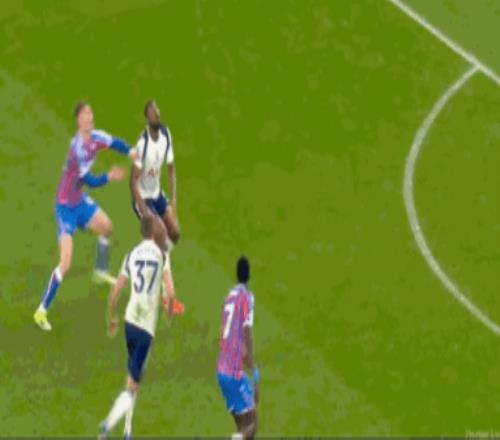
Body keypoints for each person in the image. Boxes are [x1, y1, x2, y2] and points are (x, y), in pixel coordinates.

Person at [34, 102, 135, 331]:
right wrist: (109, 177)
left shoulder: (96, 137)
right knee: (66, 263)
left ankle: (100, 272)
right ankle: (41, 310)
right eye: (86, 114)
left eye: (91, 113)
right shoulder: (77, 148)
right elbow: (91, 181)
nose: (90, 117)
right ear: (79, 120)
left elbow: (115, 143)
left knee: (106, 227)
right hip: (65, 209)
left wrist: (131, 152)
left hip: (79, 201)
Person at [99, 214, 176, 439]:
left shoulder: (131, 254)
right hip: (145, 328)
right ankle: (107, 425)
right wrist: (169, 313)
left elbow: (115, 293)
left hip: (129, 322)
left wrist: (112, 318)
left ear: (141, 232)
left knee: (134, 376)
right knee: (133, 383)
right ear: (154, 231)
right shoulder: (162, 254)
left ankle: (127, 430)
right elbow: (171, 293)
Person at [130, 99, 184, 314]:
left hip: (156, 194)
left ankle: (153, 256)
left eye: (158, 111)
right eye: (153, 112)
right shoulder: (142, 144)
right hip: (143, 198)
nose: (157, 114)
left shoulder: (166, 135)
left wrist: (173, 200)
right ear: (147, 118)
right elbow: (133, 181)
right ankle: (167, 295)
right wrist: (144, 212)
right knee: (161, 234)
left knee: (175, 233)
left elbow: (171, 169)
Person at [217, 256, 259, 439]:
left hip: (221, 370)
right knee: (252, 425)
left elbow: (222, 334)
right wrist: (255, 375)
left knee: (242, 425)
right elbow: (247, 333)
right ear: (249, 275)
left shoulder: (229, 297)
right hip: (234, 373)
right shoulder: (247, 297)